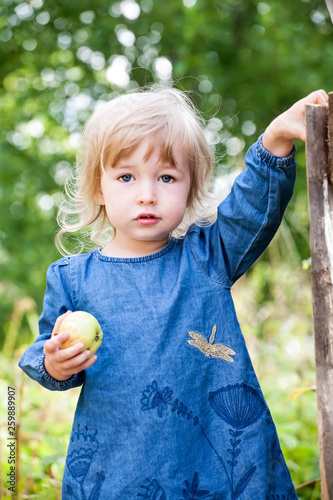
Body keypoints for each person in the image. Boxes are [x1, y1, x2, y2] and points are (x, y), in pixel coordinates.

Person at [19, 87, 328, 499]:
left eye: (166, 177)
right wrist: (56, 363)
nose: (147, 193)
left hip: (215, 462)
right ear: (98, 188)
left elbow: (252, 207)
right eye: (126, 177)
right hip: (119, 467)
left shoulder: (208, 257)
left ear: (190, 187)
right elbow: (47, 349)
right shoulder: (73, 277)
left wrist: (275, 139)